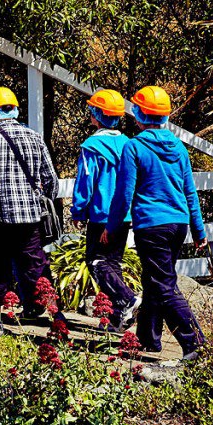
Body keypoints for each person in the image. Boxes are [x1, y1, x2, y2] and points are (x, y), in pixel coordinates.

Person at [105, 86, 207, 360]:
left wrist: (111, 227)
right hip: (179, 224)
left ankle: (195, 344)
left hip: (152, 226)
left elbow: (124, 193)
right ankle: (147, 340)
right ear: (165, 116)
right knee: (154, 281)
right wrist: (199, 230)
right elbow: (189, 192)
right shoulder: (179, 147)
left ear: (137, 114)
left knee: (163, 285)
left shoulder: (134, 147)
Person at [0, 87, 59, 330]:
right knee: (35, 265)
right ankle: (56, 318)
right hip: (30, 218)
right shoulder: (35, 137)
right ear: (16, 111)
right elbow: (52, 181)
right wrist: (39, 197)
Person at [70, 89, 139, 331]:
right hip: (125, 214)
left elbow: (86, 181)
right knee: (113, 263)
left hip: (101, 214)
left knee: (96, 261)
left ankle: (128, 298)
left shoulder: (92, 146)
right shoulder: (129, 144)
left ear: (96, 115)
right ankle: (116, 319)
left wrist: (78, 210)